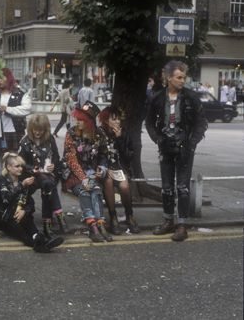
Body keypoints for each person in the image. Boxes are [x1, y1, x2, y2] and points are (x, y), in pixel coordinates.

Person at [146, 60, 208, 242]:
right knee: (166, 188)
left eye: (184, 77)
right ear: (168, 78)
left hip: (184, 148)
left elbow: (201, 122)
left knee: (182, 187)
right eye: (179, 77)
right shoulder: (157, 97)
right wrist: (157, 139)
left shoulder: (191, 97)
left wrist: (192, 142)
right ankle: (168, 221)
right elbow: (149, 122)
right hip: (165, 147)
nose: (183, 80)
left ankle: (182, 225)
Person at [0, 152, 64, 252]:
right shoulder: (2, 181)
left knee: (29, 223)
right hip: (5, 217)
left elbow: (30, 202)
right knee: (22, 232)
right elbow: (6, 199)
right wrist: (22, 186)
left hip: (21, 215)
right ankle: (38, 244)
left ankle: (40, 239)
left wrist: (24, 211)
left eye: (21, 166)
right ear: (8, 167)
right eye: (17, 166)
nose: (21, 169)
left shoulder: (21, 180)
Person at [62, 101, 113, 242]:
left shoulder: (99, 134)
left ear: (90, 122)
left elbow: (104, 155)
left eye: (81, 120)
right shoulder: (71, 133)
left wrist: (102, 168)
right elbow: (71, 159)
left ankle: (100, 224)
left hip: (92, 173)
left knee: (95, 189)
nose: (78, 122)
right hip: (74, 174)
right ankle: (92, 226)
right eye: (77, 118)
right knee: (85, 190)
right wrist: (83, 178)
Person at [18, 114, 67, 237]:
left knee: (47, 185)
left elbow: (56, 156)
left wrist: (54, 165)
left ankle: (47, 225)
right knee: (48, 184)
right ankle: (56, 218)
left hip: (46, 175)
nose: (37, 132)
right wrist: (31, 169)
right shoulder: (25, 142)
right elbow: (20, 162)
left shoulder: (50, 139)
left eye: (40, 130)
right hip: (31, 176)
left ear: (45, 129)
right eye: (35, 129)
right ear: (30, 128)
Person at [97, 106, 140, 234]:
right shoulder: (100, 133)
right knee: (108, 182)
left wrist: (120, 138)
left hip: (121, 167)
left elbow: (129, 156)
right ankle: (113, 217)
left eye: (118, 119)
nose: (117, 122)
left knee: (125, 187)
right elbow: (98, 154)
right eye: (113, 119)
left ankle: (129, 216)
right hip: (106, 168)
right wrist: (103, 168)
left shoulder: (125, 133)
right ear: (106, 120)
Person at [0, 67, 32, 152]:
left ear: (8, 78)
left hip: (15, 132)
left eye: (1, 78)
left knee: (14, 159)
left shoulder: (20, 93)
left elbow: (27, 109)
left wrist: (7, 109)